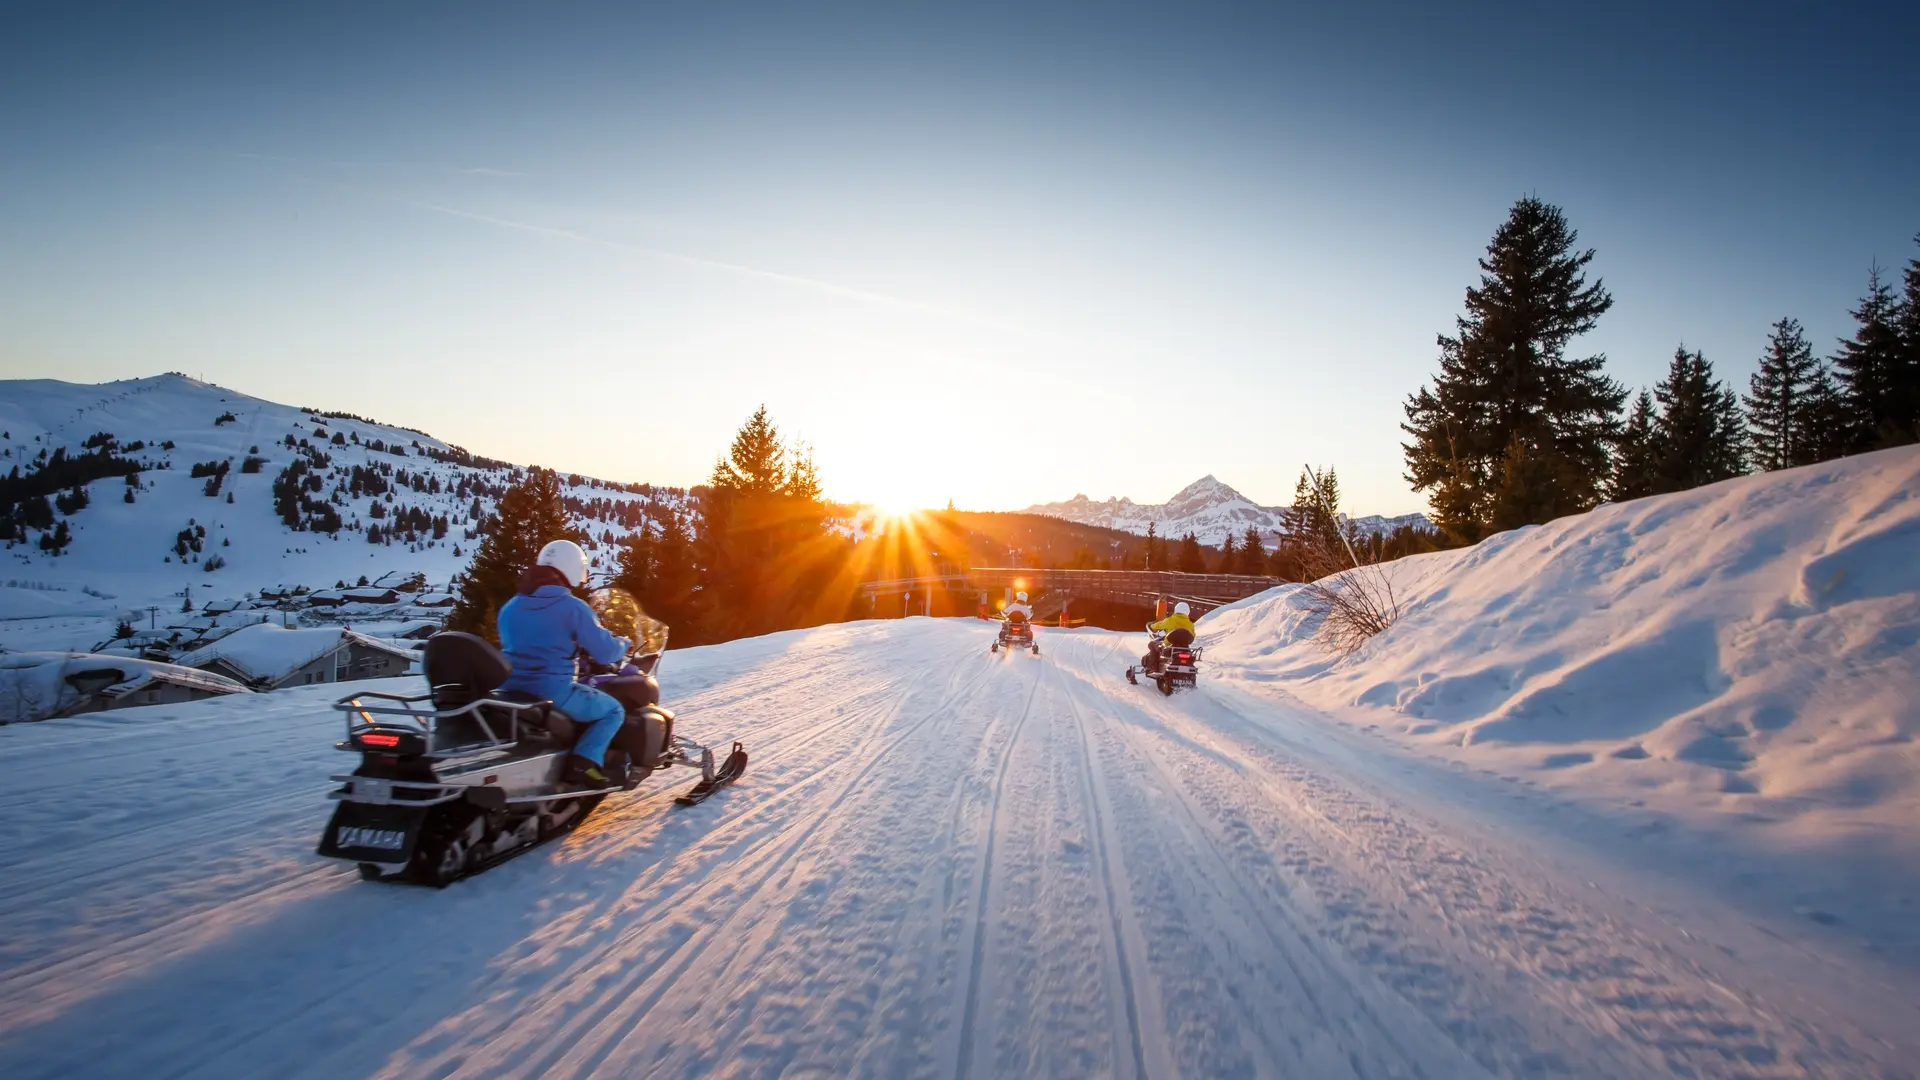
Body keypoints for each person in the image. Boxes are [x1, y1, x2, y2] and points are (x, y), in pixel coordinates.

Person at [495, 539, 633, 788]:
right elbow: (605, 652)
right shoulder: (573, 608)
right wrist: (624, 643)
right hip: (552, 690)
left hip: (510, 688)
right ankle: (584, 763)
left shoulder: (510, 606)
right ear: (572, 568)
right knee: (613, 711)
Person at [1143, 601, 1194, 672]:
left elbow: (1160, 625)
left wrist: (1152, 626)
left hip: (1170, 648)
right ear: (1188, 611)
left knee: (1152, 644)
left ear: (1176, 610)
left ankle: (1151, 666)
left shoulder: (1170, 620)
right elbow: (1193, 635)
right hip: (1185, 649)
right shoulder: (1190, 624)